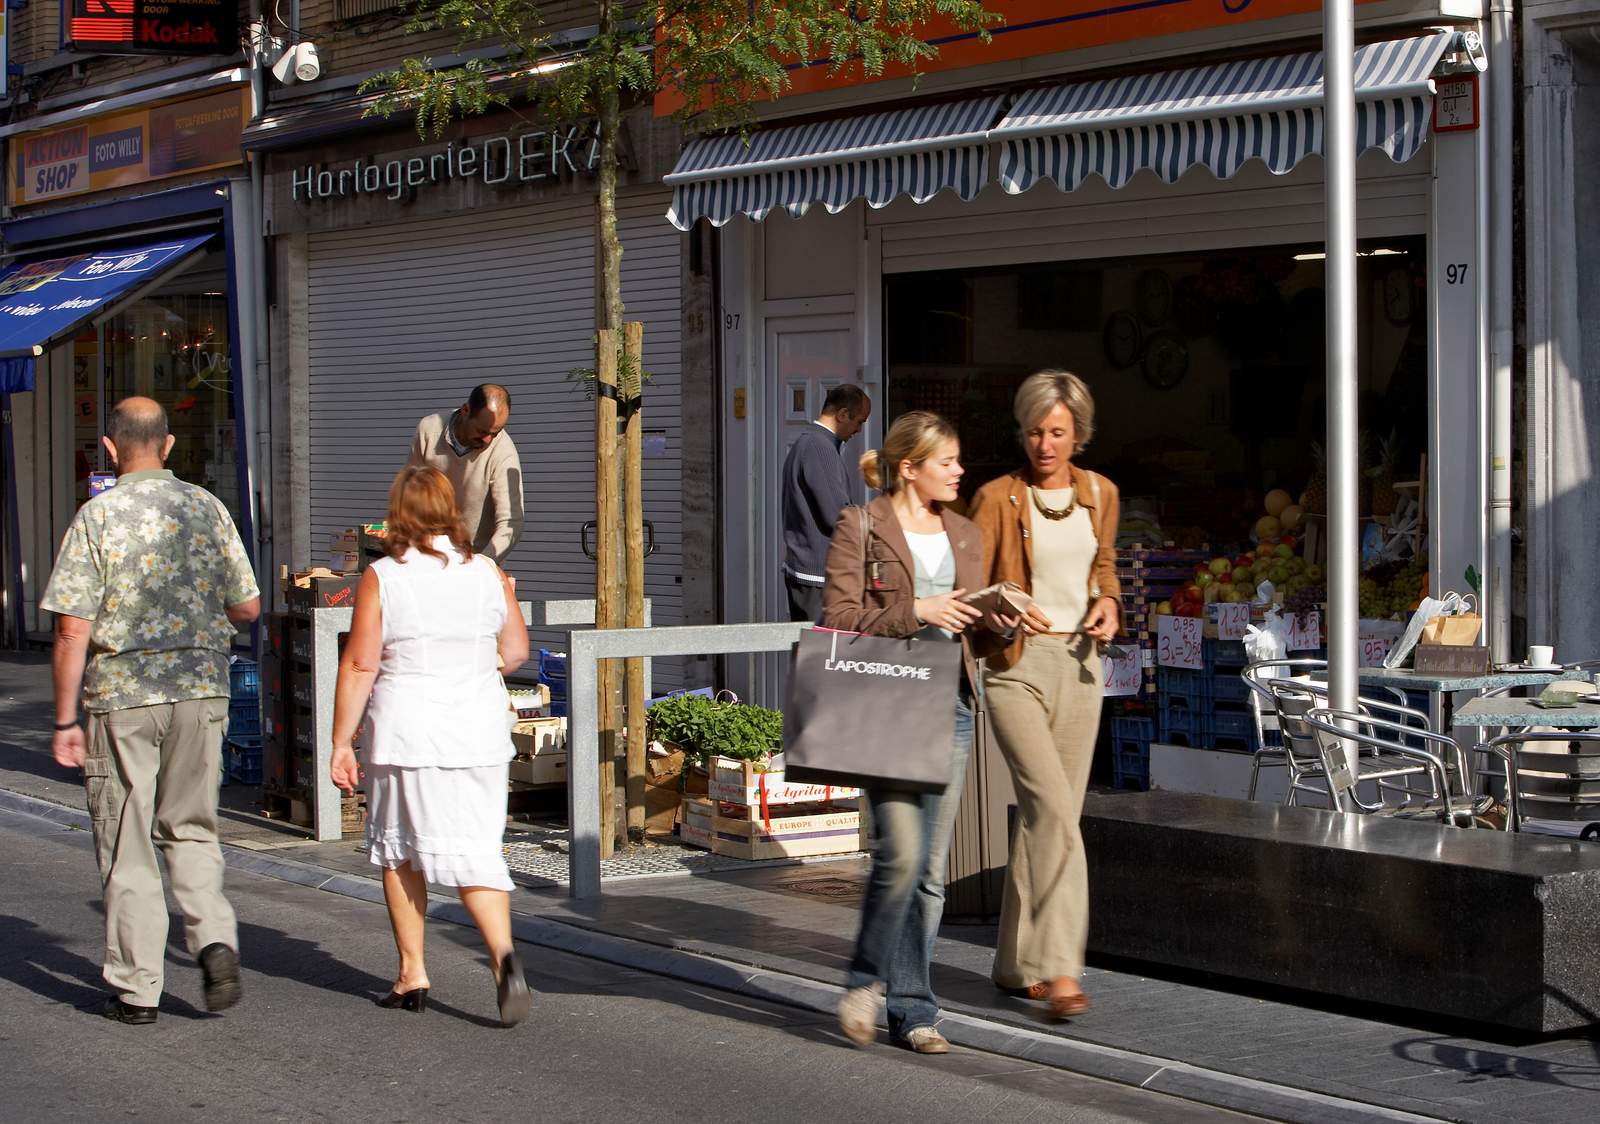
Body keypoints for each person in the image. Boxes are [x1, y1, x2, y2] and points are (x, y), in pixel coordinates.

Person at [41, 397, 261, 1025]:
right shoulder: (207, 507)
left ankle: (138, 989)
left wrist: (63, 721)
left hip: (123, 696)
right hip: (200, 689)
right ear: (167, 447)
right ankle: (214, 937)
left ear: (110, 449)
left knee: (128, 840)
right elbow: (246, 606)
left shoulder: (97, 517)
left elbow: (70, 630)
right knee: (191, 826)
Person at [328, 465, 532, 1027]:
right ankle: (503, 957)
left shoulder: (385, 576)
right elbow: (515, 651)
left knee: (399, 851)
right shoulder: (487, 570)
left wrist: (341, 739)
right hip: (479, 730)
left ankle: (412, 971)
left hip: (408, 730)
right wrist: (471, 665)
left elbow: (362, 662)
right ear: (450, 511)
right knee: (476, 850)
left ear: (399, 513)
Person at [821, 410, 986, 1055]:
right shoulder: (860, 526)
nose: (959, 471)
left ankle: (915, 1010)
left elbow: (971, 620)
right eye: (947, 462)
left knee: (930, 874)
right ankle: (864, 980)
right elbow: (837, 615)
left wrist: (1001, 616)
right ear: (911, 466)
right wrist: (916, 609)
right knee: (901, 855)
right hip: (886, 704)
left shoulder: (965, 533)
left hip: (951, 704)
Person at [967, 370, 1122, 1021]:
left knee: (1043, 820)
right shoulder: (997, 498)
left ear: (1078, 433)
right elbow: (968, 590)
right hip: (1017, 669)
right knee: (1056, 811)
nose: (1045, 443)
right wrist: (996, 615)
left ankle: (1012, 965)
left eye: (1057, 431)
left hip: (1082, 668)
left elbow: (1104, 564)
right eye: (1034, 431)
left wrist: (1110, 603)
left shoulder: (1101, 493)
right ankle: (1061, 968)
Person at [782, 383, 872, 622]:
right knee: (823, 655)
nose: (859, 430)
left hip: (807, 571)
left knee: (813, 654)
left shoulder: (809, 443)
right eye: (860, 421)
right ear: (843, 414)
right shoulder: (819, 447)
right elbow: (837, 515)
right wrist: (875, 519)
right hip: (818, 575)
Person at [408, 383, 525, 563]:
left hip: (475, 555)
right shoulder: (429, 430)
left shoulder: (503, 452)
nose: (487, 440)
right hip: (427, 553)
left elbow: (511, 523)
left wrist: (483, 563)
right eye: (482, 431)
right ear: (465, 410)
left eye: (495, 433)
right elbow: (410, 494)